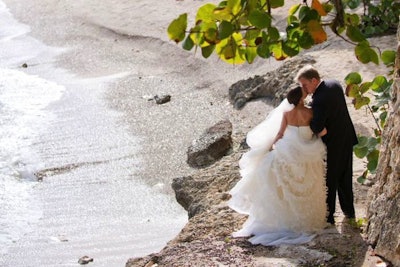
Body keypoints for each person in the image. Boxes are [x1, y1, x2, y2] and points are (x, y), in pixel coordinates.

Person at [228, 86, 328, 246]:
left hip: (288, 150)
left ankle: (287, 218)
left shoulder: (287, 114)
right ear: (301, 99)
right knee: (310, 182)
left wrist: (270, 148)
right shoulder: (310, 112)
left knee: (282, 185)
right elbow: (318, 131)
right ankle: (309, 220)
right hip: (308, 151)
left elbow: (280, 134)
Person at [295, 65, 358, 225]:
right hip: (347, 137)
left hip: (333, 144)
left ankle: (328, 217)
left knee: (329, 180)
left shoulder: (319, 100)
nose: (304, 88)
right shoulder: (334, 84)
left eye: (305, 85)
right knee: (345, 177)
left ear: (314, 80)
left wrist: (319, 127)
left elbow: (317, 127)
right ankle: (349, 212)